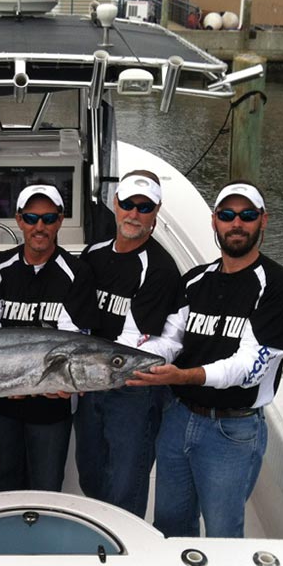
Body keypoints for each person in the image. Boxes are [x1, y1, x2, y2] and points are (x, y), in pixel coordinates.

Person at [128, 180, 283, 538]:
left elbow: (250, 367)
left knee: (223, 533)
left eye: (247, 215)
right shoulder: (194, 281)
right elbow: (170, 340)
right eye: (227, 215)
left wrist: (182, 376)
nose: (236, 223)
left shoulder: (278, 287)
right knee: (171, 527)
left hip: (232, 431)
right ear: (214, 222)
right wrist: (128, 359)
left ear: (263, 221)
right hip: (178, 419)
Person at [75, 170, 183, 518]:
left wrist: (85, 371)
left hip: (132, 389)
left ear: (156, 212)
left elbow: (133, 343)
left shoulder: (160, 269)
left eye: (144, 207)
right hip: (92, 383)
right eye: (127, 204)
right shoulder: (92, 254)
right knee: (90, 473)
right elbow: (77, 317)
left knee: (125, 484)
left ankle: (124, 555)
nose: (134, 214)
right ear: (114, 204)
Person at [0, 185, 99, 492]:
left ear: (60, 220)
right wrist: (9, 381)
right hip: (4, 399)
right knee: (7, 477)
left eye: (48, 218)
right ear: (19, 220)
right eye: (31, 218)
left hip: (51, 406)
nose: (39, 227)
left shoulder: (77, 273)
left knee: (46, 484)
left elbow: (71, 339)